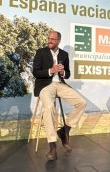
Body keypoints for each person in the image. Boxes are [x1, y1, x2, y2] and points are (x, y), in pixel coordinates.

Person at [33, 31, 87, 161]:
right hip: (46, 85)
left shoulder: (64, 54)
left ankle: (64, 130)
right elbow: (35, 72)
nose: (50, 41)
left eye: (53, 39)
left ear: (58, 40)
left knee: (82, 102)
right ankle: (52, 145)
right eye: (49, 38)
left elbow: (67, 74)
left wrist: (62, 72)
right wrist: (51, 70)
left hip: (60, 84)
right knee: (49, 107)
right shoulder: (41, 52)